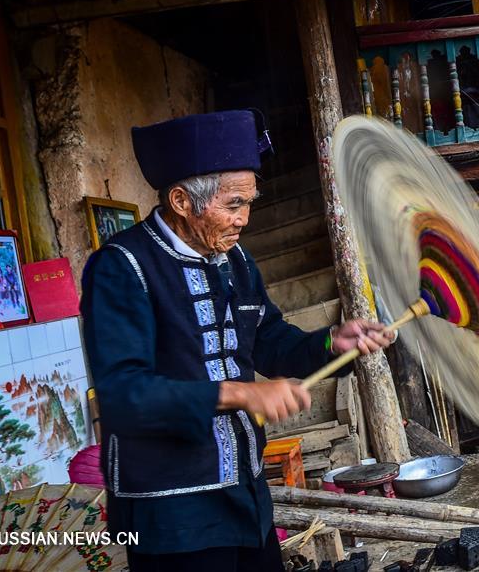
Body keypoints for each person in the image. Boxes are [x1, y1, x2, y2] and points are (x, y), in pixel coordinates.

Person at [80, 110, 394, 572]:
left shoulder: (236, 260)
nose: (244, 219)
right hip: (171, 513)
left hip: (245, 494)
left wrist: (331, 343)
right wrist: (241, 393)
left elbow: (268, 339)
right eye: (233, 205)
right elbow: (124, 394)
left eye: (249, 203)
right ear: (183, 200)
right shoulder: (122, 267)